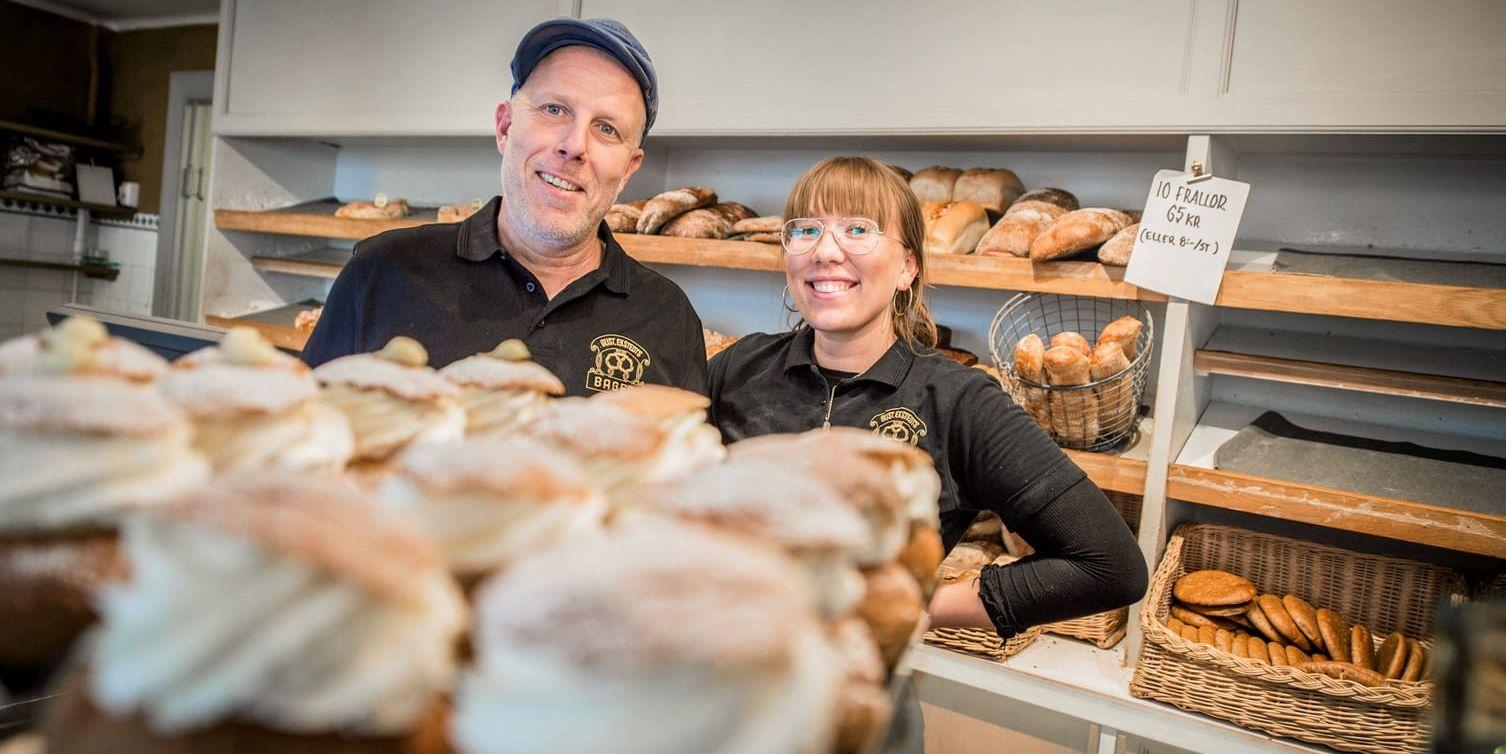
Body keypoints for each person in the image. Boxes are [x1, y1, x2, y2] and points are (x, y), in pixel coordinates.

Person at [708, 156, 1147, 637]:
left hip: (858, 697)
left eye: (857, 230)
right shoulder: (739, 367)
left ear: (907, 267)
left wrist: (910, 608)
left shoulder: (957, 400)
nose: (825, 251)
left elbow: (1109, 566)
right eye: (806, 230)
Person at [302, 18, 708, 397]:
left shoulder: (669, 318)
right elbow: (304, 444)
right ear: (505, 127)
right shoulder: (381, 272)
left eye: (606, 129)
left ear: (628, 170)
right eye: (555, 109)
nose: (574, 145)